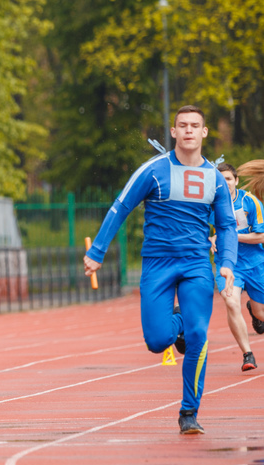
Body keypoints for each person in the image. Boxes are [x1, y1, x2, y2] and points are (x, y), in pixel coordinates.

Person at [84, 105, 238, 435]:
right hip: (157, 264)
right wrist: (97, 251)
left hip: (197, 264)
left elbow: (226, 225)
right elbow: (121, 207)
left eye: (195, 126)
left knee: (199, 334)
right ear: (173, 131)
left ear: (204, 132)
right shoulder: (154, 170)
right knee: (157, 341)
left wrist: (226, 264)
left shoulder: (214, 178)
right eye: (182, 125)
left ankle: (189, 412)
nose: (188, 131)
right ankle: (179, 323)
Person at [208, 163, 264, 371]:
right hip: (227, 265)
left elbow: (261, 235)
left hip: (256, 263)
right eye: (220, 180)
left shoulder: (250, 201)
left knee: (261, 313)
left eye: (229, 179)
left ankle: (254, 311)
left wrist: (231, 236)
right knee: (231, 302)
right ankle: (247, 354)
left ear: (236, 181)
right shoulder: (210, 205)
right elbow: (198, 229)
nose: (225, 183)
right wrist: (210, 239)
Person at [237, 160, 264, 341]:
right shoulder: (252, 202)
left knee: (260, 311)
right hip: (257, 253)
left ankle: (256, 312)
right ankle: (257, 312)